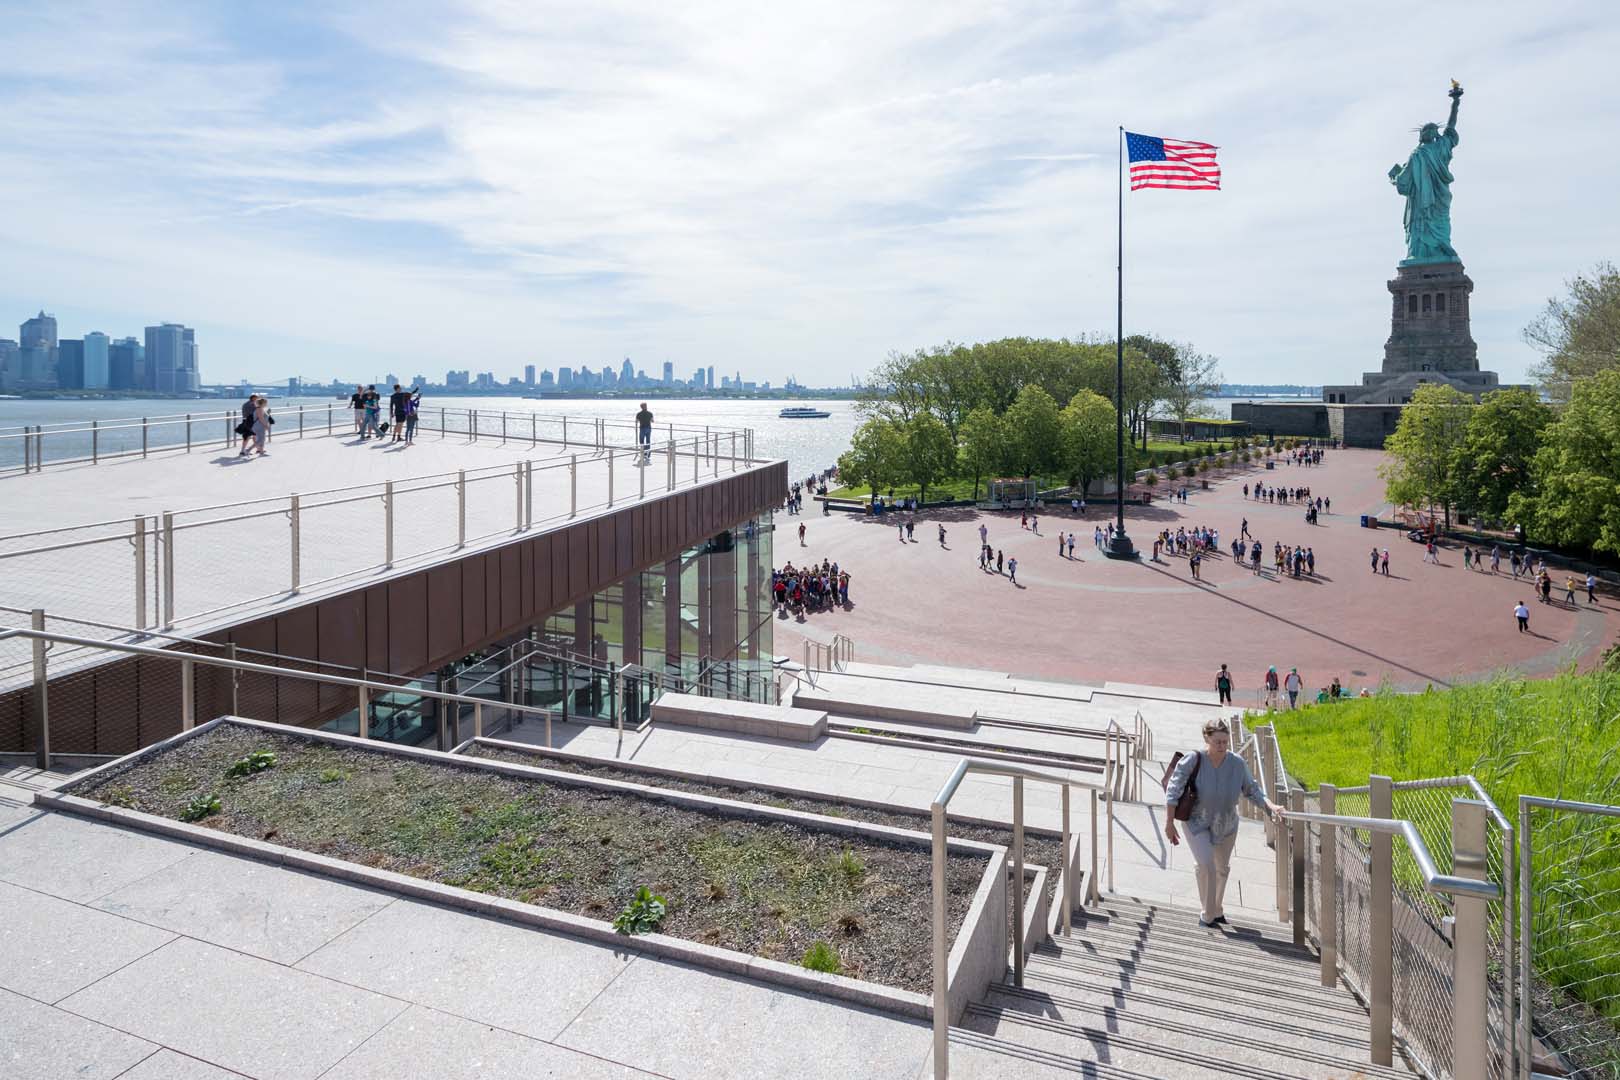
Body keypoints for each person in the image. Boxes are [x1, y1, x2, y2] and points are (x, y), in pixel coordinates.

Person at [1165, 718, 1284, 928]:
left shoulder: (1237, 763)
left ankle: (1217, 909)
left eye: (1225, 742)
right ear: (1207, 739)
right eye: (1217, 742)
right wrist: (1169, 822)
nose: (1222, 747)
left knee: (1221, 870)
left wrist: (1271, 806)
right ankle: (1208, 915)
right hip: (1196, 822)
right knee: (1207, 865)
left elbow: (1252, 789)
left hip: (1227, 825)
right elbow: (1173, 789)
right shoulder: (1194, 760)